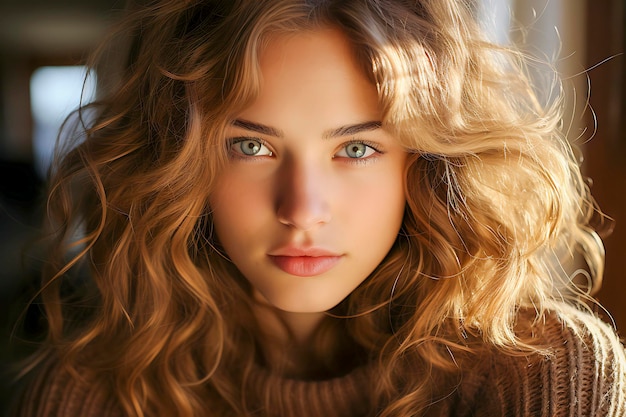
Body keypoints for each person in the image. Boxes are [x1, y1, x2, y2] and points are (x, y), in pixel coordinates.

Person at [10, 0, 626, 416]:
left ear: (427, 162)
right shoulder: (95, 392)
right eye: (251, 146)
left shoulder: (544, 374)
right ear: (181, 162)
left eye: (355, 148)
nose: (302, 210)